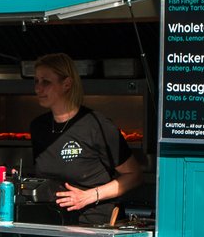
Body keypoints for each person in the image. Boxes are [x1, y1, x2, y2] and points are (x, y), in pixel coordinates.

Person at [29, 52, 144, 225]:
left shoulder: (97, 125)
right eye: (36, 81)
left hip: (92, 223)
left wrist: (88, 196)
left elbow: (134, 175)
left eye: (46, 82)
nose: (38, 88)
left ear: (67, 84)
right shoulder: (38, 127)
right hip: (50, 222)